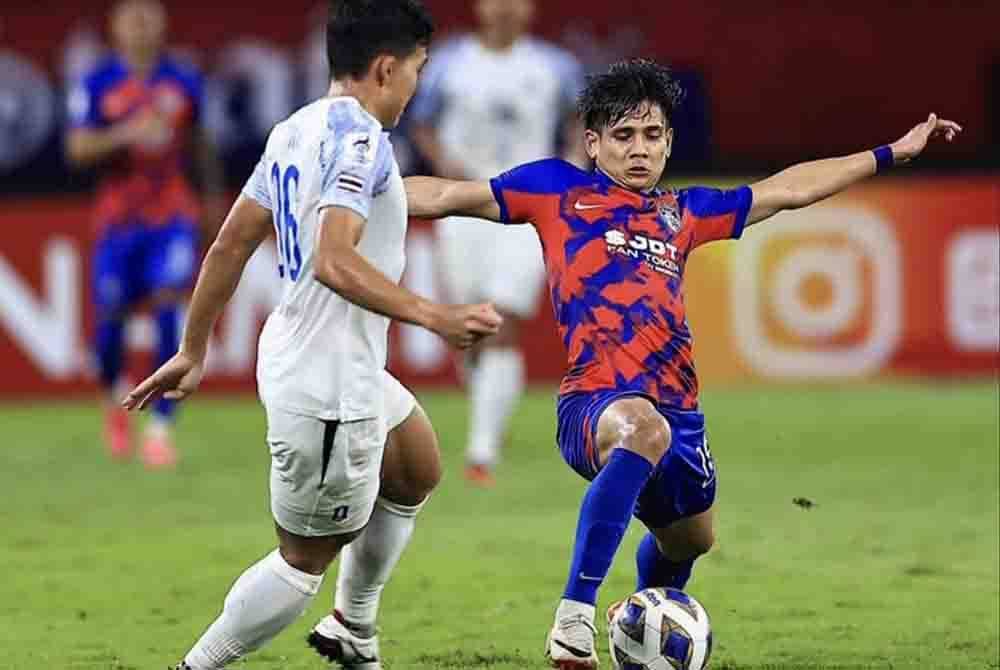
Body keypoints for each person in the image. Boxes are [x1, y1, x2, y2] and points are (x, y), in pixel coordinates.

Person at [403, 59, 962, 668]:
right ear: (592, 143)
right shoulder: (556, 191)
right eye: (623, 136)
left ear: (669, 142)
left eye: (652, 136)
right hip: (595, 403)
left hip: (680, 414)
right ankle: (574, 615)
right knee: (642, 429)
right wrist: (353, 188)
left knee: (692, 539)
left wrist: (890, 153)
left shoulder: (685, 211)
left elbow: (789, 188)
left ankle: (639, 620)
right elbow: (446, 195)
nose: (638, 150)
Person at [122, 2, 502, 669]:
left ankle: (353, 630)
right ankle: (196, 665)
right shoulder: (360, 139)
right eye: (416, 69)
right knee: (303, 562)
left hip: (311, 356)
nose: (416, 86)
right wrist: (434, 315)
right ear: (386, 68)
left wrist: (194, 347)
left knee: (414, 465)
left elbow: (233, 242)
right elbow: (334, 257)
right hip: (328, 387)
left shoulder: (297, 129)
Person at [408, 0, 586, 485]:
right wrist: (447, 168)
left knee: (501, 321)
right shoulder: (447, 63)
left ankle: (481, 453)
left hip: (529, 207)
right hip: (462, 206)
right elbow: (420, 126)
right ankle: (491, 402)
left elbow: (580, 125)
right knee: (470, 328)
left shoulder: (556, 66)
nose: (505, 8)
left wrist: (569, 173)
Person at [65, 0, 223, 468]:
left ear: (162, 25)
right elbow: (77, 149)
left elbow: (201, 145)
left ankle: (159, 430)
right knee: (110, 321)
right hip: (117, 222)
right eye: (132, 19)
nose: (141, 27)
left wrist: (213, 205)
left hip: (171, 216)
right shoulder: (97, 84)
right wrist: (125, 134)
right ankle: (115, 398)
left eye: (149, 18)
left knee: (169, 311)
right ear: (115, 28)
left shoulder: (183, 81)